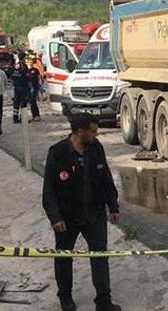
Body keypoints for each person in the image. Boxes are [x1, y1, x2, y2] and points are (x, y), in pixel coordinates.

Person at [42, 113, 121, 311]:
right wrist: (55, 217)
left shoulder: (96, 148)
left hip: (94, 213)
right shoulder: (58, 152)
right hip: (67, 217)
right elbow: (49, 190)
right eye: (93, 131)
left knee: (99, 256)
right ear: (79, 131)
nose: (96, 134)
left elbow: (105, 178)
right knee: (63, 256)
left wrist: (113, 206)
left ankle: (103, 301)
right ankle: (65, 297)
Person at [10, 51, 30, 123]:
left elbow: (11, 75)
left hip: (16, 86)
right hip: (23, 87)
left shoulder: (15, 65)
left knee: (16, 102)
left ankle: (15, 118)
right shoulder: (24, 66)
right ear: (24, 58)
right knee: (23, 103)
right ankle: (23, 119)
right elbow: (28, 76)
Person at [27, 54, 42, 121]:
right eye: (29, 62)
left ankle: (36, 115)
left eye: (31, 62)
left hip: (35, 87)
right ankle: (35, 115)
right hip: (30, 88)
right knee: (32, 102)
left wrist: (40, 87)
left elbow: (39, 78)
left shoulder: (35, 70)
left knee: (33, 102)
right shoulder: (27, 71)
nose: (30, 64)